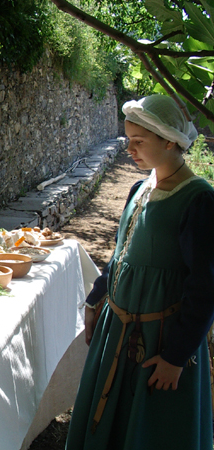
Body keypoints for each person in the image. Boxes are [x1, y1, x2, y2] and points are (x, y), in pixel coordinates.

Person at [66, 94, 214, 450]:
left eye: (138, 142)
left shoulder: (198, 199)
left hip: (159, 340)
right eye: (128, 139)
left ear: (169, 141)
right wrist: (96, 298)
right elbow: (121, 252)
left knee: (153, 428)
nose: (129, 148)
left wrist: (176, 357)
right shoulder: (140, 188)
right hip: (117, 327)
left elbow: (206, 287)